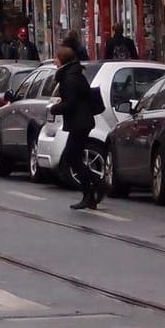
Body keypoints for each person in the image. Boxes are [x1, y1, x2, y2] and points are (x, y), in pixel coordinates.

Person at [49, 42, 102, 210]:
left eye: (56, 59)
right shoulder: (74, 74)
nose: (55, 62)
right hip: (81, 122)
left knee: (71, 158)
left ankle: (97, 187)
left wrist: (55, 108)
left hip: (79, 123)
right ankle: (91, 194)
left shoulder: (69, 77)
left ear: (62, 60)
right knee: (73, 158)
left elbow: (70, 103)